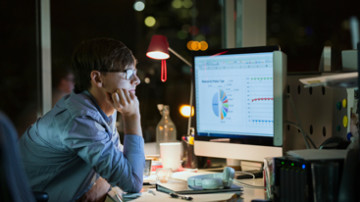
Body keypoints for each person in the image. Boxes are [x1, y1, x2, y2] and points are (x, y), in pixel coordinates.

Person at [18, 38, 144, 201]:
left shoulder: (100, 105)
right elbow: (133, 182)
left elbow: (116, 158)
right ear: (98, 78)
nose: (137, 80)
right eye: (128, 73)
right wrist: (132, 116)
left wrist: (103, 182)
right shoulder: (80, 118)